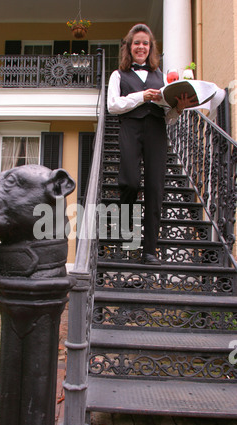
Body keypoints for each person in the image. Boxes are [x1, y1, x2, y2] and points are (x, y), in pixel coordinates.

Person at [107, 23, 197, 264]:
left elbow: (168, 116)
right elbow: (113, 105)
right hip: (131, 126)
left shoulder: (161, 76)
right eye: (137, 42)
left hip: (156, 129)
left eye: (145, 43)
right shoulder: (118, 75)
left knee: (156, 188)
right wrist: (141, 96)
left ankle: (149, 250)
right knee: (129, 181)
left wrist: (177, 108)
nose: (141, 47)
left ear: (151, 48)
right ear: (129, 47)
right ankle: (126, 231)